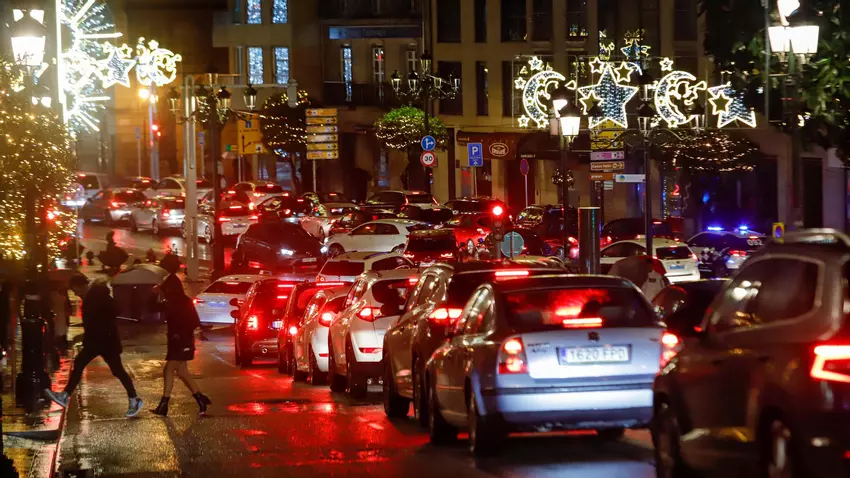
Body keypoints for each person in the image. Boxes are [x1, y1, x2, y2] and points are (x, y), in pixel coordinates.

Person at [44, 274, 143, 417]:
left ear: (81, 286)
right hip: (98, 341)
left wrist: (101, 322)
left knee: (115, 370)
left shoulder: (97, 295)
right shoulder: (93, 295)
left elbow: (113, 310)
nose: (75, 294)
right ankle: (65, 395)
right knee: (82, 363)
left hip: (105, 341)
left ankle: (134, 399)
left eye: (75, 290)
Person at [150, 274, 211, 416]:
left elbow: (194, 321)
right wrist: (154, 294)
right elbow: (152, 308)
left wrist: (180, 332)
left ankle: (164, 405)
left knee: (168, 370)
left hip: (180, 342)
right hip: (180, 341)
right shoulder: (176, 301)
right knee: (182, 372)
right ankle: (200, 399)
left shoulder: (177, 302)